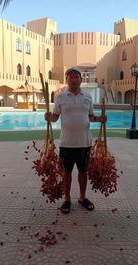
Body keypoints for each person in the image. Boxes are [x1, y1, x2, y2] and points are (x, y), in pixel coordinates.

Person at [45, 67, 107, 214]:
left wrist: (99, 119)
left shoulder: (87, 97)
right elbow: (55, 117)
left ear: (81, 79)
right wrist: (48, 117)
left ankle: (82, 197)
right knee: (66, 173)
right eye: (70, 77)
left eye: (76, 77)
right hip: (66, 143)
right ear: (66, 80)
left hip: (84, 142)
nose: (73, 79)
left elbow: (91, 117)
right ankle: (67, 199)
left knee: (83, 172)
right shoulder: (60, 97)